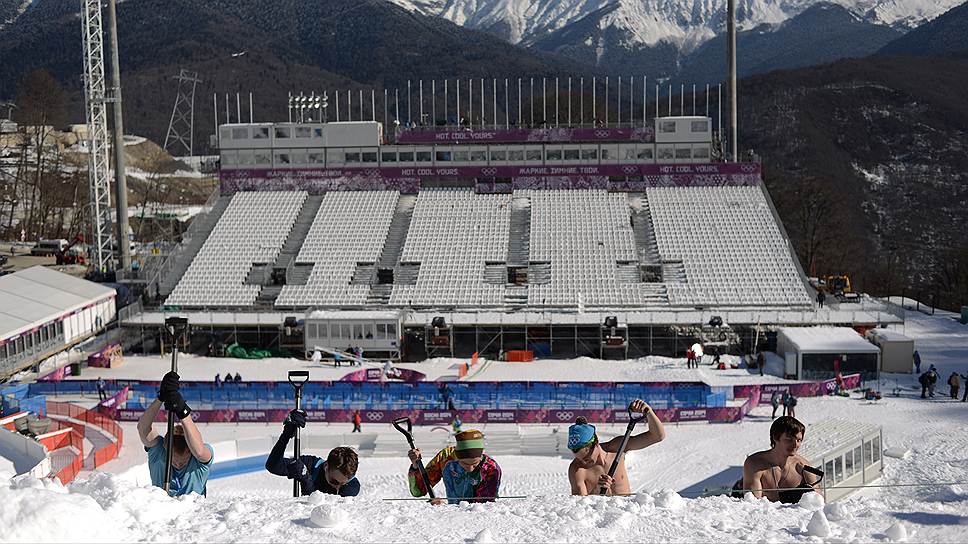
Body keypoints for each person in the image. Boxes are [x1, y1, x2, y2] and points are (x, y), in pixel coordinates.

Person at [137, 371, 213, 496]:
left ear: (190, 451)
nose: (177, 466)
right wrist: (161, 397)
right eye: (173, 461)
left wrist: (182, 411)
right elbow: (143, 428)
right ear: (165, 448)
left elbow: (199, 451)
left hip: (193, 513)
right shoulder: (159, 452)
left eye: (182, 462)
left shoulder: (198, 461)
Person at [567, 399, 666, 496]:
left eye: (586, 458)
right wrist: (597, 491)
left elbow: (657, 436)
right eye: (579, 459)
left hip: (628, 511)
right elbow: (581, 507)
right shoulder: (577, 470)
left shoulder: (617, 447)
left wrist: (649, 412)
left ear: (596, 443)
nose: (583, 462)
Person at [264, 409, 361, 496]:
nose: (337, 489)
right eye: (334, 481)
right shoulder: (310, 465)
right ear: (326, 466)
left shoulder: (352, 487)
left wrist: (306, 480)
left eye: (343, 484)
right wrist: (286, 435)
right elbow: (273, 466)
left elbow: (323, 509)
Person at [407, 429, 502, 505]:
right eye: (465, 464)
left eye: (474, 464)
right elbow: (418, 491)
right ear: (457, 456)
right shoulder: (445, 458)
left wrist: (444, 508)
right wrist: (416, 465)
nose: (470, 469)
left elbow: (480, 508)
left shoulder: (491, 469)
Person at [739, 416, 821, 503]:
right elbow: (752, 503)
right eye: (789, 439)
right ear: (775, 437)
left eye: (799, 440)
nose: (795, 445)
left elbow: (818, 503)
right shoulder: (755, 464)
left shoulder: (804, 467)